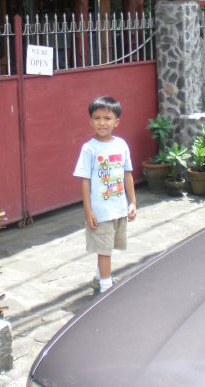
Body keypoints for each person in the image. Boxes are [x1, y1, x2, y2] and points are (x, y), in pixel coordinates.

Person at [73, 95, 136, 292]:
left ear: (116, 122)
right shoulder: (89, 149)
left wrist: (132, 202)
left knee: (108, 248)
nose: (102, 122)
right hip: (100, 213)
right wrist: (88, 211)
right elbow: (85, 180)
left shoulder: (121, 145)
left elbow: (127, 175)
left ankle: (100, 278)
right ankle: (106, 289)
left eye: (107, 118)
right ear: (91, 121)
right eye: (97, 118)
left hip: (118, 208)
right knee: (104, 251)